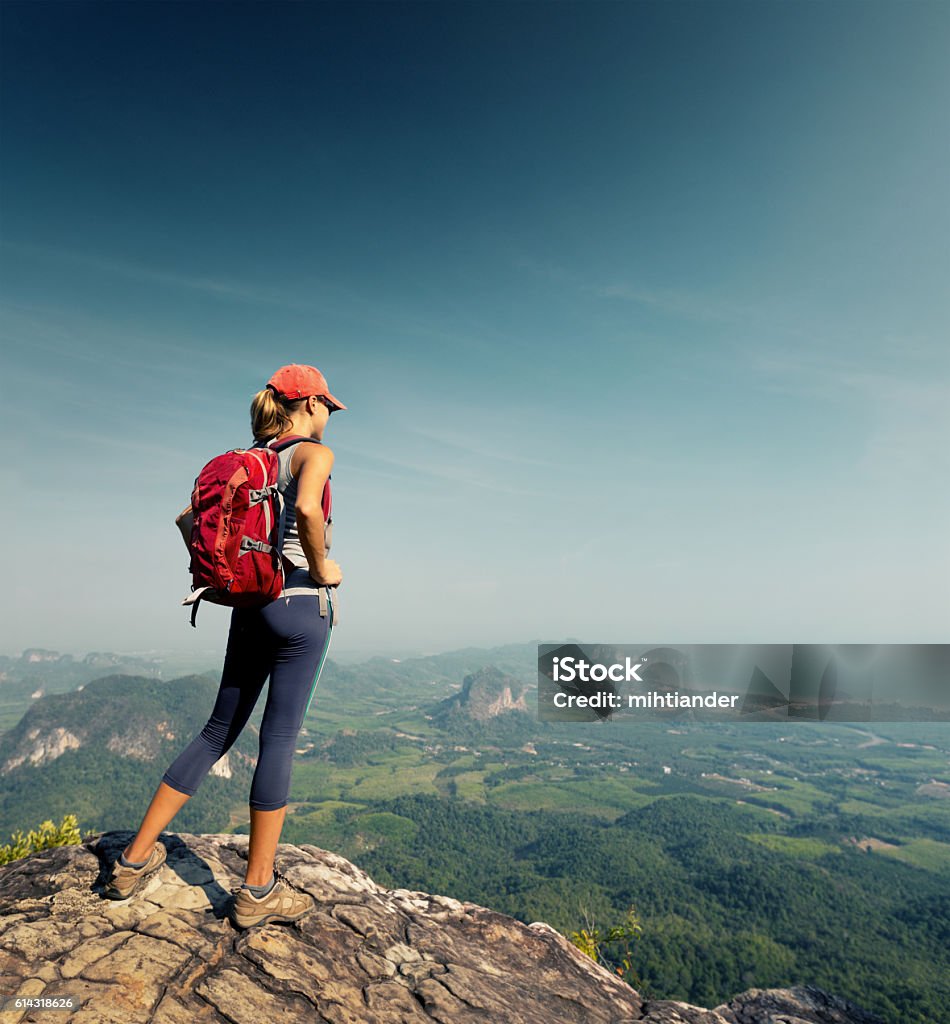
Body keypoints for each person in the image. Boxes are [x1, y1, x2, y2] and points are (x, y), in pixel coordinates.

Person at [103, 364, 345, 929]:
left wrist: (231, 576)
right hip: (301, 606)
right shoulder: (312, 455)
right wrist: (322, 566)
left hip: (249, 605)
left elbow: (188, 520)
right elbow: (308, 508)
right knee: (279, 738)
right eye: (327, 405)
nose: (330, 415)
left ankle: (131, 862)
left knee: (217, 730)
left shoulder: (245, 460)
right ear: (307, 404)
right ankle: (257, 892)